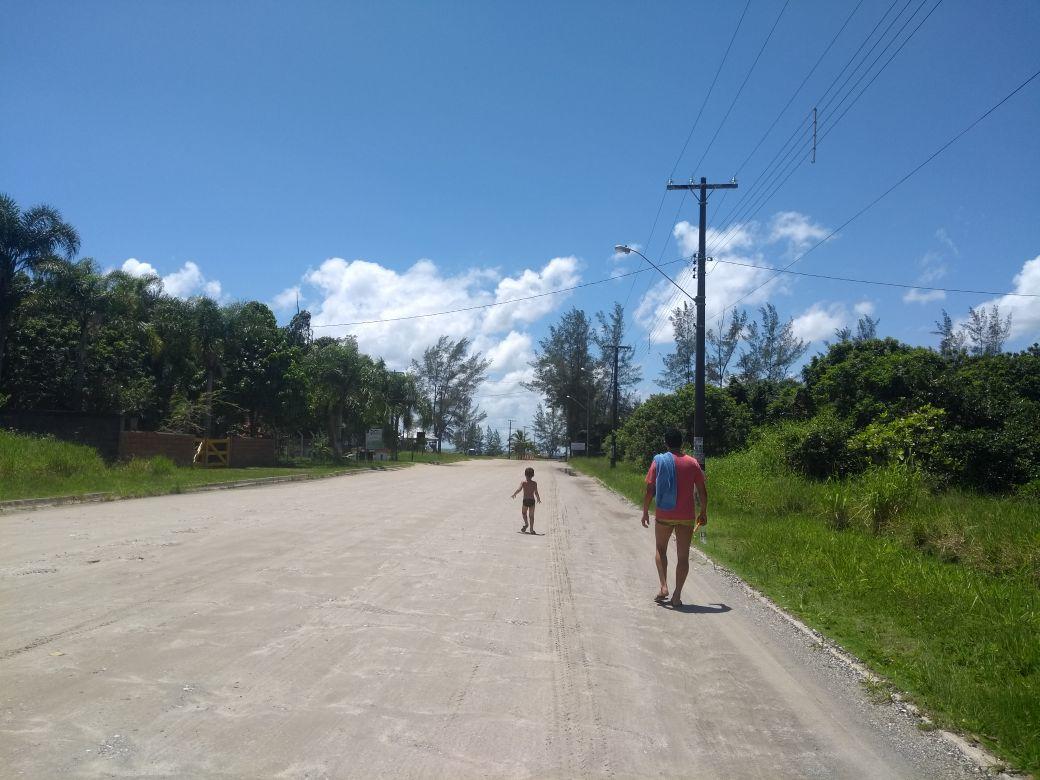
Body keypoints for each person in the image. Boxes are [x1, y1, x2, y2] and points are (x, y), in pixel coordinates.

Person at [641, 429, 707, 607]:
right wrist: (703, 512)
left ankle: (663, 587)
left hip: (664, 513)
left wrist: (645, 510)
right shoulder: (693, 463)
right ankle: (677, 596)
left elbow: (650, 490)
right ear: (682, 443)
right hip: (686, 516)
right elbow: (702, 490)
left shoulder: (659, 461)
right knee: (683, 556)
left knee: (660, 549)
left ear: (666, 442)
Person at [511, 466, 541, 534]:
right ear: (533, 475)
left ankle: (526, 523)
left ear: (525, 474)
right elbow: (536, 492)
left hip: (525, 500)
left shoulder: (523, 482)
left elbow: (519, 489)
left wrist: (514, 494)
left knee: (524, 513)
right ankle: (531, 529)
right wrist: (538, 499)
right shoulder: (534, 483)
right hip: (532, 501)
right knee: (531, 516)